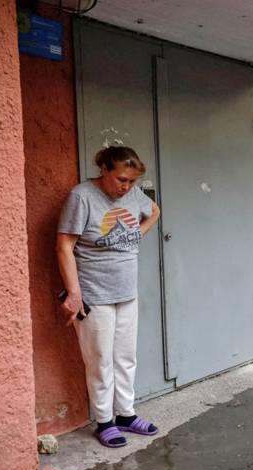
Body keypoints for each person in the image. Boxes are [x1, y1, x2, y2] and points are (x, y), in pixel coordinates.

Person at [56, 146, 161, 448]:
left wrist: (137, 234)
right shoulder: (82, 197)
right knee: (100, 359)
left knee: (125, 357)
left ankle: (126, 415)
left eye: (131, 181)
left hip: (127, 291)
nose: (126, 187)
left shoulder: (132, 194)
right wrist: (74, 294)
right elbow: (64, 246)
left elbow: (154, 211)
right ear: (104, 170)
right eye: (121, 179)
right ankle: (105, 421)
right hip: (94, 294)